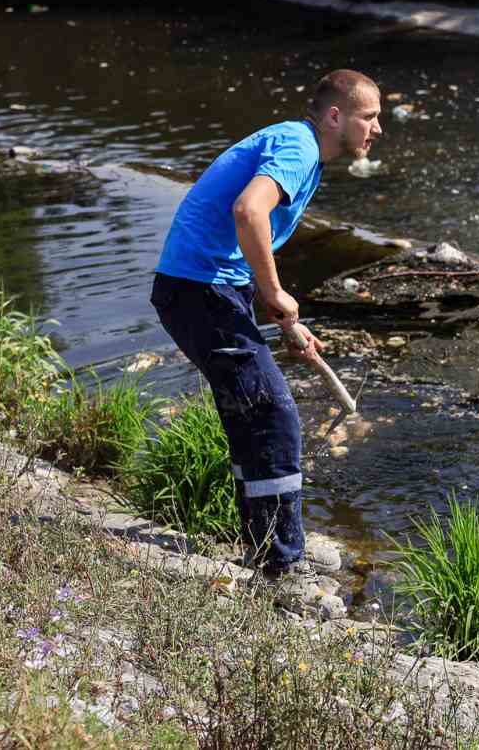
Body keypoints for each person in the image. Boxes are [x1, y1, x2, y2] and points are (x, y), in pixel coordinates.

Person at [150, 69, 383, 590]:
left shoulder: (300, 149)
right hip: (196, 289)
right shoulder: (298, 147)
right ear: (335, 116)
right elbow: (248, 210)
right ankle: (283, 567)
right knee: (273, 415)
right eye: (370, 117)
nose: (377, 129)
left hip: (206, 287)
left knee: (252, 416)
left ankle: (268, 548)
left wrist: (274, 310)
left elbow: (237, 243)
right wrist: (275, 291)